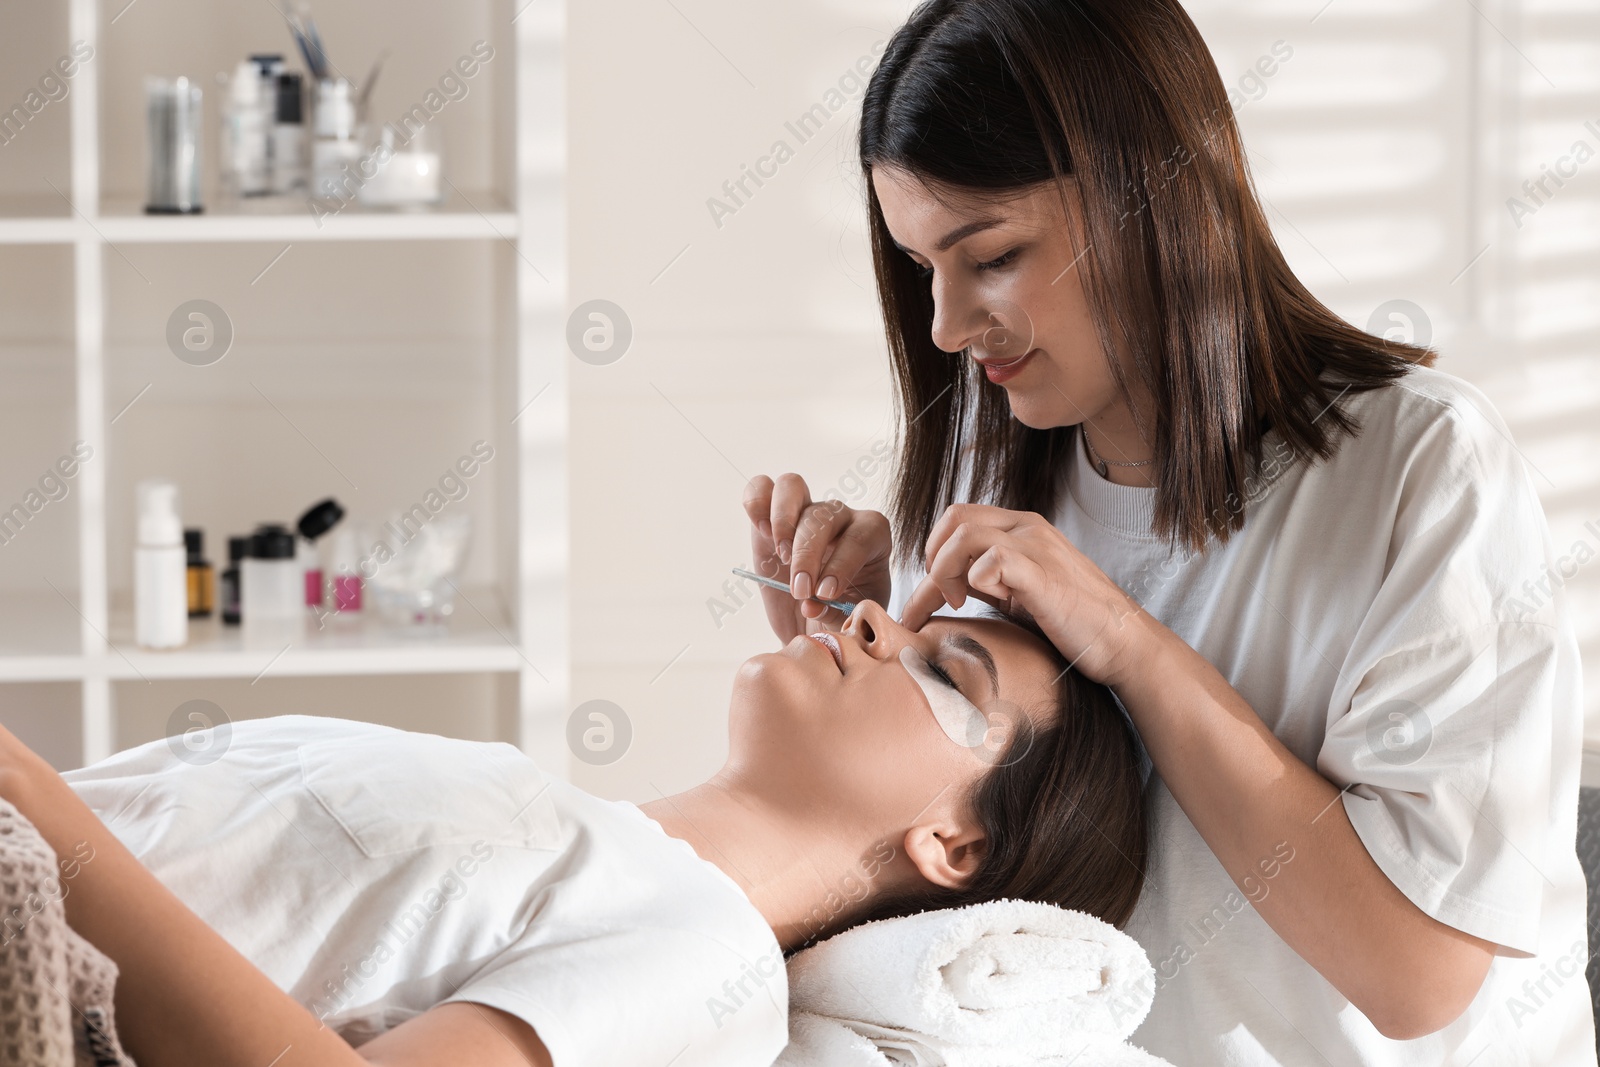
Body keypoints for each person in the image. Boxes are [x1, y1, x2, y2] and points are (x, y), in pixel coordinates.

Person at [743, 0, 1594, 1062]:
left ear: (1151, 196)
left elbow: (1415, 977)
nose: (948, 328)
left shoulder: (1419, 470)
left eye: (993, 255)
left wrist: (1129, 642)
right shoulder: (991, 462)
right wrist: (834, 650)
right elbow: (955, 875)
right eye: (923, 269)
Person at [0, 601, 1146, 1067]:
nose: (870, 620)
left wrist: (43, 809)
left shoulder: (711, 961)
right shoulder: (570, 828)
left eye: (947, 670)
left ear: (955, 845)